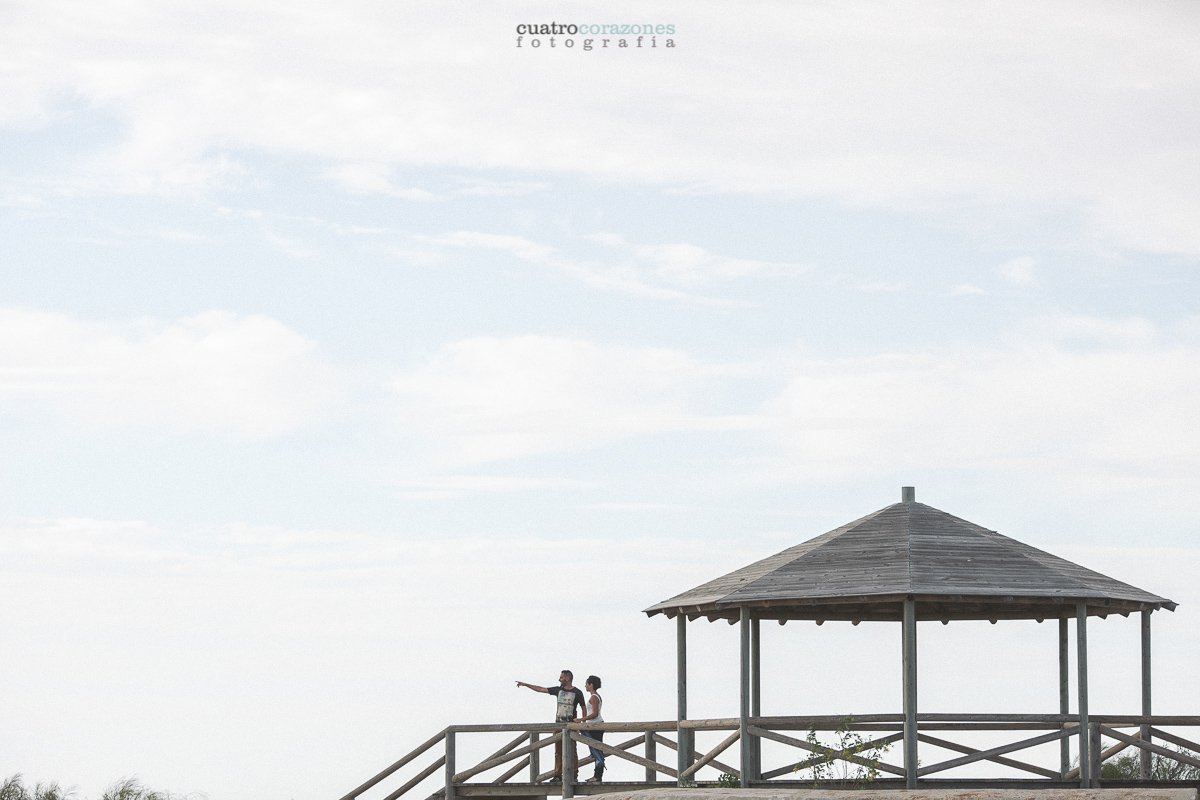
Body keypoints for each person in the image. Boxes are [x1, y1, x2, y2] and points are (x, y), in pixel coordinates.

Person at [516, 670, 585, 782]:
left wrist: (582, 722)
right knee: (558, 752)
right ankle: (557, 775)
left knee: (573, 751)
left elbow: (583, 707)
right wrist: (526, 684)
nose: (559, 679)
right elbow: (541, 689)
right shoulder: (558, 690)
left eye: (561, 677)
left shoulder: (577, 692)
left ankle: (574, 775)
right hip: (558, 724)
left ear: (567, 678)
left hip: (571, 725)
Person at [579, 675, 605, 783]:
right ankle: (597, 775)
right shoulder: (596, 696)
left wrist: (581, 719)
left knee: (597, 751)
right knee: (596, 750)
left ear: (591, 685)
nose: (585, 686)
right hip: (594, 725)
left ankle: (597, 775)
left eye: (586, 684)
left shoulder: (594, 697)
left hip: (595, 726)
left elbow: (595, 714)